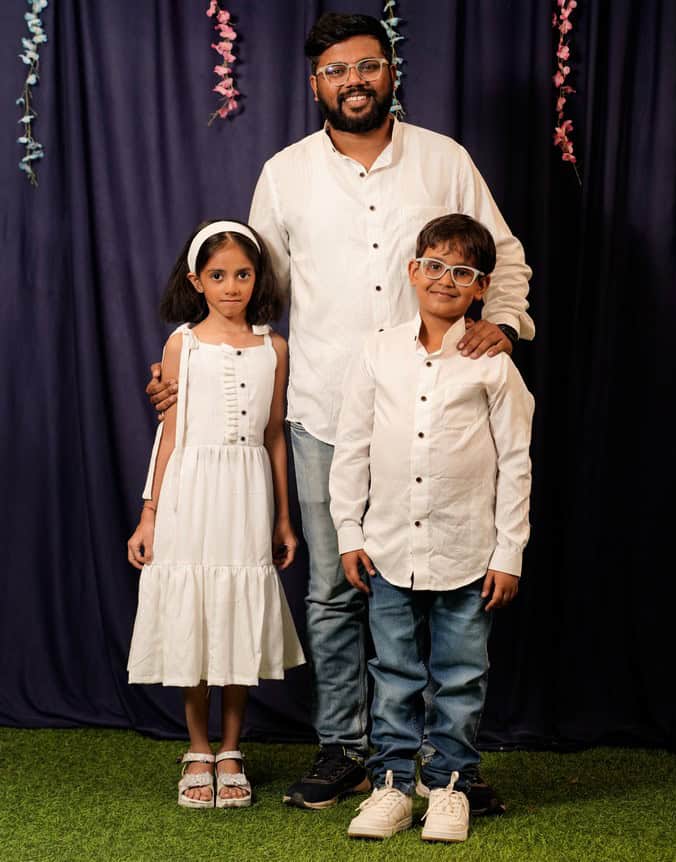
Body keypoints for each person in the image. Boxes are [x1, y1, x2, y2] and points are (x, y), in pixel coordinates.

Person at [147, 13, 534, 811]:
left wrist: (505, 321)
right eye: (335, 70)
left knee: (439, 589)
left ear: (389, 71)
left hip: (439, 411)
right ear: (315, 83)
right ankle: (345, 751)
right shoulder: (285, 173)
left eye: (366, 65)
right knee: (333, 590)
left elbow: (504, 255)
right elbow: (254, 293)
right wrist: (191, 369)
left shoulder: (444, 160)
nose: (353, 81)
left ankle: (439, 764)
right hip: (325, 411)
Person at [329, 213, 534, 842]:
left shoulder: (493, 365)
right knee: (394, 675)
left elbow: (516, 462)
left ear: (482, 287)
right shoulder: (378, 351)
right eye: (435, 266)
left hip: (468, 552)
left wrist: (509, 553)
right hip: (389, 548)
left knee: (461, 676)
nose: (446, 280)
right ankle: (392, 787)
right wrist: (349, 532)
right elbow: (353, 446)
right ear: (413, 270)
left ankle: (449, 787)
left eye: (463, 272)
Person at [127, 220, 305, 809]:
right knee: (197, 614)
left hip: (246, 493)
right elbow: (170, 433)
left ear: (258, 279)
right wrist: (150, 513)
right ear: (196, 281)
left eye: (243, 274)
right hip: (190, 491)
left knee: (235, 616)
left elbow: (274, 436)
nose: (232, 286)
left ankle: (232, 749)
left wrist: (283, 518)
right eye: (218, 275)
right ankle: (198, 748)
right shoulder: (183, 344)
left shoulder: (274, 348)